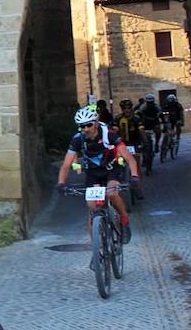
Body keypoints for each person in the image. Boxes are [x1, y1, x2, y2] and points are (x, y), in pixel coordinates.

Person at [57, 106, 139, 248]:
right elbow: (66, 165)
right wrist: (61, 183)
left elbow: (130, 159)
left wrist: (134, 177)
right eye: (82, 126)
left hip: (111, 169)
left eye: (89, 125)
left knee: (111, 193)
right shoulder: (78, 139)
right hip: (93, 172)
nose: (86, 129)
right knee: (92, 207)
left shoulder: (109, 135)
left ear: (95, 122)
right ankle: (97, 248)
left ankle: (124, 219)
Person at [112, 99, 146, 198]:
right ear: (122, 109)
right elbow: (114, 132)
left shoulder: (136, 118)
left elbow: (141, 131)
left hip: (134, 143)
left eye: (128, 108)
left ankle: (138, 188)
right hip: (121, 144)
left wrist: (145, 142)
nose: (126, 110)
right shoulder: (117, 119)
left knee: (136, 166)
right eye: (124, 108)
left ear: (131, 108)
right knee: (118, 165)